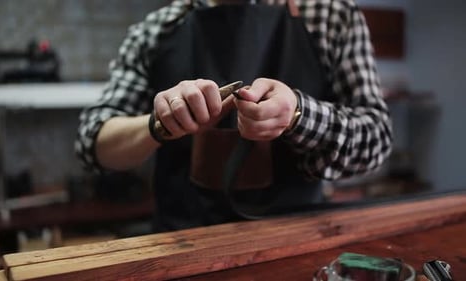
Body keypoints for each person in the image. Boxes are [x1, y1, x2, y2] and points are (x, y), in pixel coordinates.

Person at [75, 0, 393, 232]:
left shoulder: (330, 15)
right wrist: (159, 125)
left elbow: (377, 138)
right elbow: (94, 143)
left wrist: (299, 114)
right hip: (182, 245)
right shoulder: (157, 30)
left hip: (295, 240)